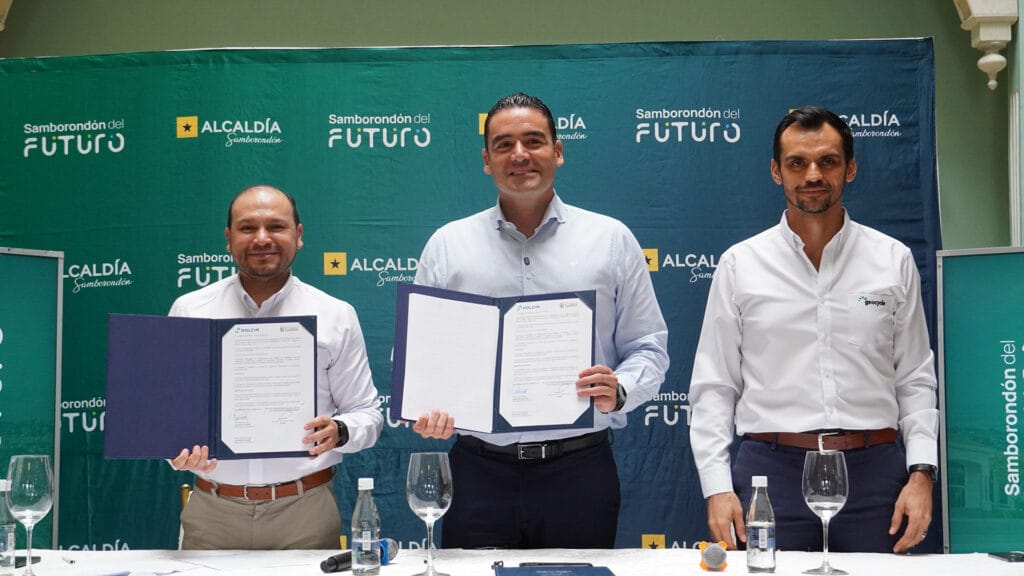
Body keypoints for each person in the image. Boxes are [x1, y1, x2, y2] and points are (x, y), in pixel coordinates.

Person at [411, 92, 669, 549]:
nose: (520, 154)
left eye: (533, 141)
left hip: (579, 474)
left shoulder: (611, 240)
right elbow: (418, 357)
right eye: (504, 144)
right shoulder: (448, 246)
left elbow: (648, 347)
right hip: (478, 472)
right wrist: (428, 404)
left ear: (558, 151)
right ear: (486, 160)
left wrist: (620, 390)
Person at [688, 106, 938, 554]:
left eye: (828, 161)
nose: (813, 175)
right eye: (797, 163)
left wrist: (921, 473)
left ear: (850, 168)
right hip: (771, 476)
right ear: (776, 172)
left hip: (875, 475)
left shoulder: (892, 260)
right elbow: (714, 386)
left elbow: (915, 378)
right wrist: (717, 486)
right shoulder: (740, 264)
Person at [168, 184, 383, 549]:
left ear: (298, 235)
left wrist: (339, 430)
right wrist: (175, 451)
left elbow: (368, 414)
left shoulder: (335, 315)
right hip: (213, 512)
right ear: (228, 238)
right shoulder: (189, 311)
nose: (262, 238)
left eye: (276, 226)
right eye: (248, 228)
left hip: (305, 513)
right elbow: (167, 415)